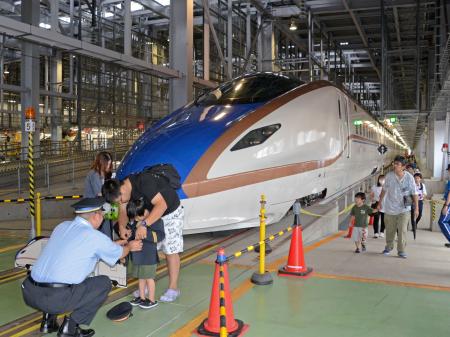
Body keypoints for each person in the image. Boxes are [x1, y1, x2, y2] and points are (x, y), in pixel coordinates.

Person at [21, 197, 143, 337]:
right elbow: (121, 253)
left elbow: (76, 249)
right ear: (96, 216)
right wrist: (130, 246)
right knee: (103, 283)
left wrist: (112, 245)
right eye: (102, 215)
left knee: (57, 273)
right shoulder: (95, 237)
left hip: (30, 291)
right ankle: (70, 328)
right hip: (55, 299)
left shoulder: (62, 226)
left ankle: (48, 322)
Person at [102, 170, 184, 303]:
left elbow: (162, 205)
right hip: (149, 215)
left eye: (121, 199)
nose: (121, 202)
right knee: (146, 247)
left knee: (170, 249)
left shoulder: (145, 182)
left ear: (122, 190)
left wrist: (144, 224)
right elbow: (123, 211)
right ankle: (145, 285)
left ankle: (173, 288)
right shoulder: (123, 192)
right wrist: (122, 227)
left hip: (169, 212)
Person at [126, 198, 165, 309]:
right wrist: (129, 235)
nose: (136, 219)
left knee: (149, 278)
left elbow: (160, 236)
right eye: (135, 218)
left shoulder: (156, 220)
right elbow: (132, 235)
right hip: (138, 256)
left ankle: (152, 300)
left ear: (146, 211)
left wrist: (145, 232)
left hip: (148, 257)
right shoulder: (136, 221)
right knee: (141, 278)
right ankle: (142, 298)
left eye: (138, 217)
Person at [378, 155, 418, 258]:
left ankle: (401, 250)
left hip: (404, 209)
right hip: (390, 208)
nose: (394, 166)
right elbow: (384, 190)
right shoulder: (389, 176)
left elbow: (414, 193)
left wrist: (417, 208)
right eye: (394, 163)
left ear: (403, 166)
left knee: (402, 230)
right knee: (390, 230)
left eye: (397, 164)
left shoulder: (409, 177)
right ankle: (388, 246)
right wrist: (379, 202)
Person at [84, 151, 113, 238]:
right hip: (95, 208)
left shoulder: (101, 174)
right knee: (105, 233)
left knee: (104, 231)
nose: (109, 166)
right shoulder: (94, 175)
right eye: (108, 164)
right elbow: (100, 193)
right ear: (102, 163)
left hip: (99, 207)